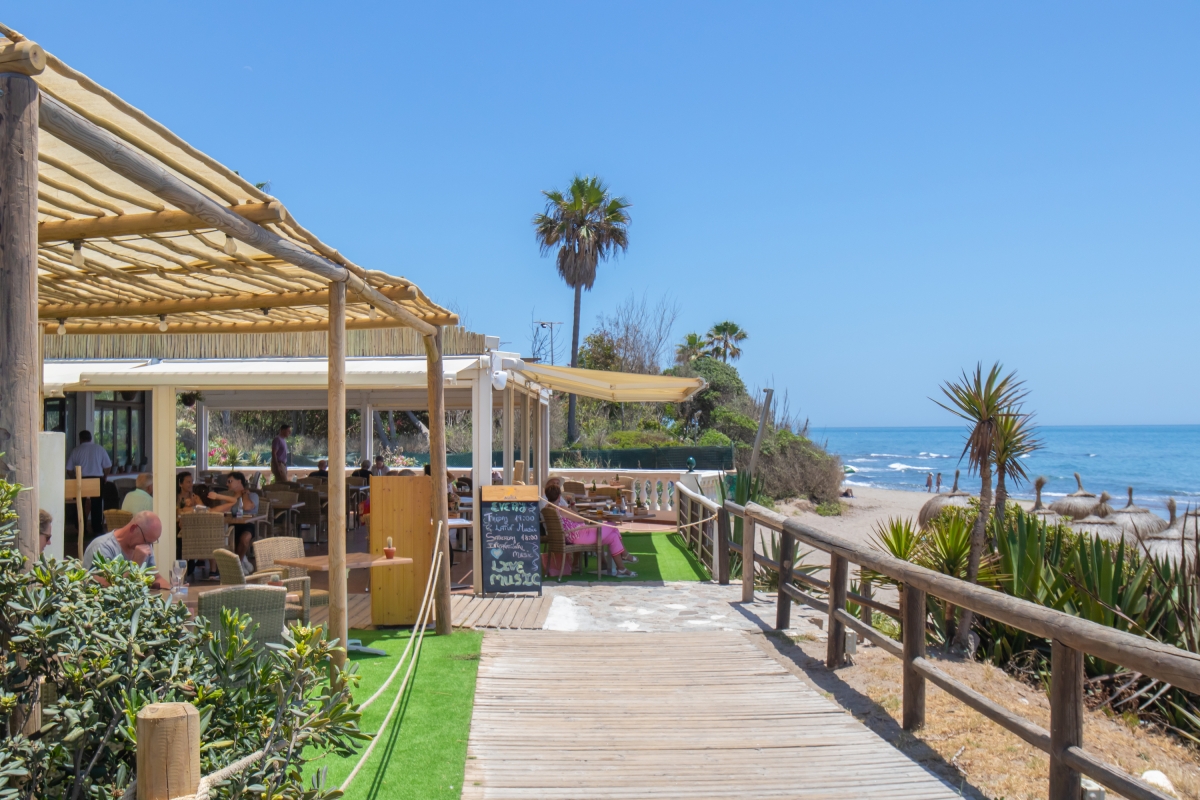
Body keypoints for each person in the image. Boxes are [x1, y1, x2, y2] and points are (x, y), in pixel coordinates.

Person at [542, 483, 637, 577]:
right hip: (580, 535)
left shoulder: (547, 508)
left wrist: (572, 504)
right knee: (612, 526)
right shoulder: (562, 509)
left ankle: (621, 568)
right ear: (559, 496)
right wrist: (572, 502)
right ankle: (625, 554)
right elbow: (580, 519)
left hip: (571, 536)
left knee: (613, 536)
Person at [82, 511, 167, 588]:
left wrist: (172, 591)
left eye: (151, 543)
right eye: (147, 541)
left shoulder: (144, 545)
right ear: (133, 528)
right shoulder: (102, 547)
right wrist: (135, 563)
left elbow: (156, 578)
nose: (148, 546)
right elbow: (105, 587)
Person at [208, 471, 259, 574]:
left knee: (245, 538)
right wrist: (234, 498)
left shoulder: (252, 495)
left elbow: (247, 507)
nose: (227, 484)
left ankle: (238, 563)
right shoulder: (227, 496)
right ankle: (238, 562)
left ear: (239, 482)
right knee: (214, 536)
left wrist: (244, 494)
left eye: (230, 481)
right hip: (229, 524)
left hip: (247, 524)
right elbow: (222, 510)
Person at [66, 430, 112, 535]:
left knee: (80, 504)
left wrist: (74, 479)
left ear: (80, 439)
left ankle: (81, 528)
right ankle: (97, 528)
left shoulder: (76, 450)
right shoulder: (99, 449)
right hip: (97, 479)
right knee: (97, 504)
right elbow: (108, 466)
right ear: (91, 438)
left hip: (81, 479)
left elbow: (69, 469)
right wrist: (105, 476)